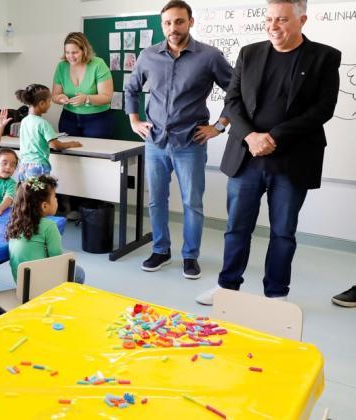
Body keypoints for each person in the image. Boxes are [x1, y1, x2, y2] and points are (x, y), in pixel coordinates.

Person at [196, 0, 341, 305]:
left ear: (302, 20)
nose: (273, 26)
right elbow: (232, 101)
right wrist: (250, 136)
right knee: (237, 227)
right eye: (269, 19)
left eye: (282, 20)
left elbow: (323, 109)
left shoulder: (324, 57)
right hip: (246, 157)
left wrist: (273, 137)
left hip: (292, 159)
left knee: (283, 232)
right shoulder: (250, 53)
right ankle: (227, 288)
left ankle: (276, 295)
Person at [124, 0, 232, 279]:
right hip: (155, 141)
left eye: (179, 21)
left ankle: (190, 256)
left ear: (191, 22)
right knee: (156, 201)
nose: (173, 28)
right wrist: (134, 120)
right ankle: (160, 250)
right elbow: (131, 88)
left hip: (190, 143)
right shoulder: (148, 56)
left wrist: (219, 126)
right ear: (163, 25)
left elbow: (236, 92)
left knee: (191, 203)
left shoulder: (210, 56)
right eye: (168, 22)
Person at [6, 175, 85, 284]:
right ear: (44, 206)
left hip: (22, 286)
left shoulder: (15, 223)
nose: (56, 200)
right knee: (79, 273)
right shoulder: (49, 226)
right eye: (54, 197)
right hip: (41, 287)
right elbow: (57, 261)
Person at [15, 84, 82, 183]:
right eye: (49, 101)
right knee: (40, 196)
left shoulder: (24, 121)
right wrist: (70, 144)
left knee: (27, 195)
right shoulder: (43, 123)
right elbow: (55, 145)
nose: (50, 104)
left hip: (23, 165)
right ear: (42, 103)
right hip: (38, 167)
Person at [52, 32, 114, 139]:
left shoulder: (98, 64)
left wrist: (86, 99)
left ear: (84, 51)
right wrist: (60, 98)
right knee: (68, 153)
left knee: (95, 154)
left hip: (97, 120)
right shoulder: (61, 66)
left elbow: (107, 97)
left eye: (74, 52)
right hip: (68, 118)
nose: (70, 56)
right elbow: (55, 95)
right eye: (67, 52)